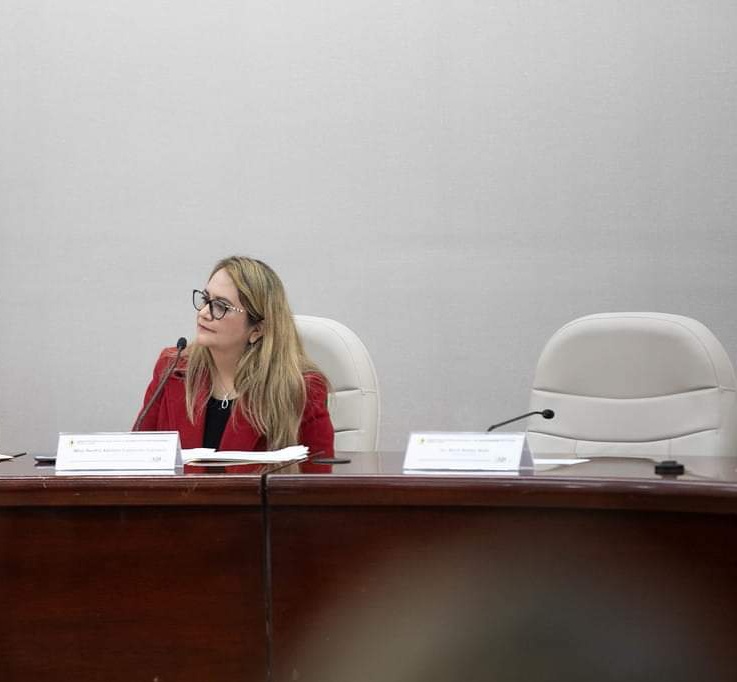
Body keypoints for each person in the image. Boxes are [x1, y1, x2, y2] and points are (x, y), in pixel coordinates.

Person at [134, 256, 334, 456]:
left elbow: (317, 472)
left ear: (257, 329)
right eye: (205, 300)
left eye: (221, 306)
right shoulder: (172, 369)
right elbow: (138, 458)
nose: (204, 313)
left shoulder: (301, 389)